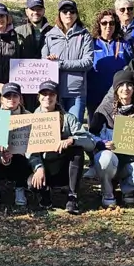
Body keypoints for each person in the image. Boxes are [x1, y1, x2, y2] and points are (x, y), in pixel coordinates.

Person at [28, 80, 96, 214]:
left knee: (77, 150)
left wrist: (72, 140)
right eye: (44, 94)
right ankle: (45, 193)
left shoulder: (68, 118)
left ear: (56, 97)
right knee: (31, 183)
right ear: (39, 97)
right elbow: (30, 151)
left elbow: (90, 142)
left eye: (51, 94)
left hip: (66, 168)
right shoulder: (31, 120)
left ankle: (72, 196)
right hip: (45, 167)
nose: (48, 97)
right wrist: (38, 168)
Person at [89, 70, 134, 207]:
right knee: (105, 159)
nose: (126, 89)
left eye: (129, 85)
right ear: (115, 89)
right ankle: (108, 191)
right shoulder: (104, 109)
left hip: (132, 161)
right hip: (111, 160)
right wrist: (101, 144)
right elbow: (91, 135)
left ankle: (127, 189)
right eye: (121, 85)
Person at [43, 0, 94, 123]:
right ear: (59, 14)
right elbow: (44, 63)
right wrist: (49, 62)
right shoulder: (50, 36)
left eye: (72, 11)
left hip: (76, 92)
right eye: (64, 11)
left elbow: (87, 62)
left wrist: (60, 63)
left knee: (75, 129)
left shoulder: (85, 35)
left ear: (76, 14)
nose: (68, 14)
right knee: (55, 130)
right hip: (54, 92)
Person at [0, 83, 32, 207]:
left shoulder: (29, 116)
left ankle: (20, 187)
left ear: (20, 98)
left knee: (21, 158)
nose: (11, 99)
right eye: (7, 96)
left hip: (20, 156)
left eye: (15, 96)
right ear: (1, 99)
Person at [89, 9, 133, 115]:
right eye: (104, 23)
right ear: (99, 25)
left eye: (112, 23)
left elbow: (131, 67)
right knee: (95, 127)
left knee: (117, 128)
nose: (108, 26)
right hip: (95, 93)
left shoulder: (124, 44)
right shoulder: (91, 43)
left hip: (118, 94)